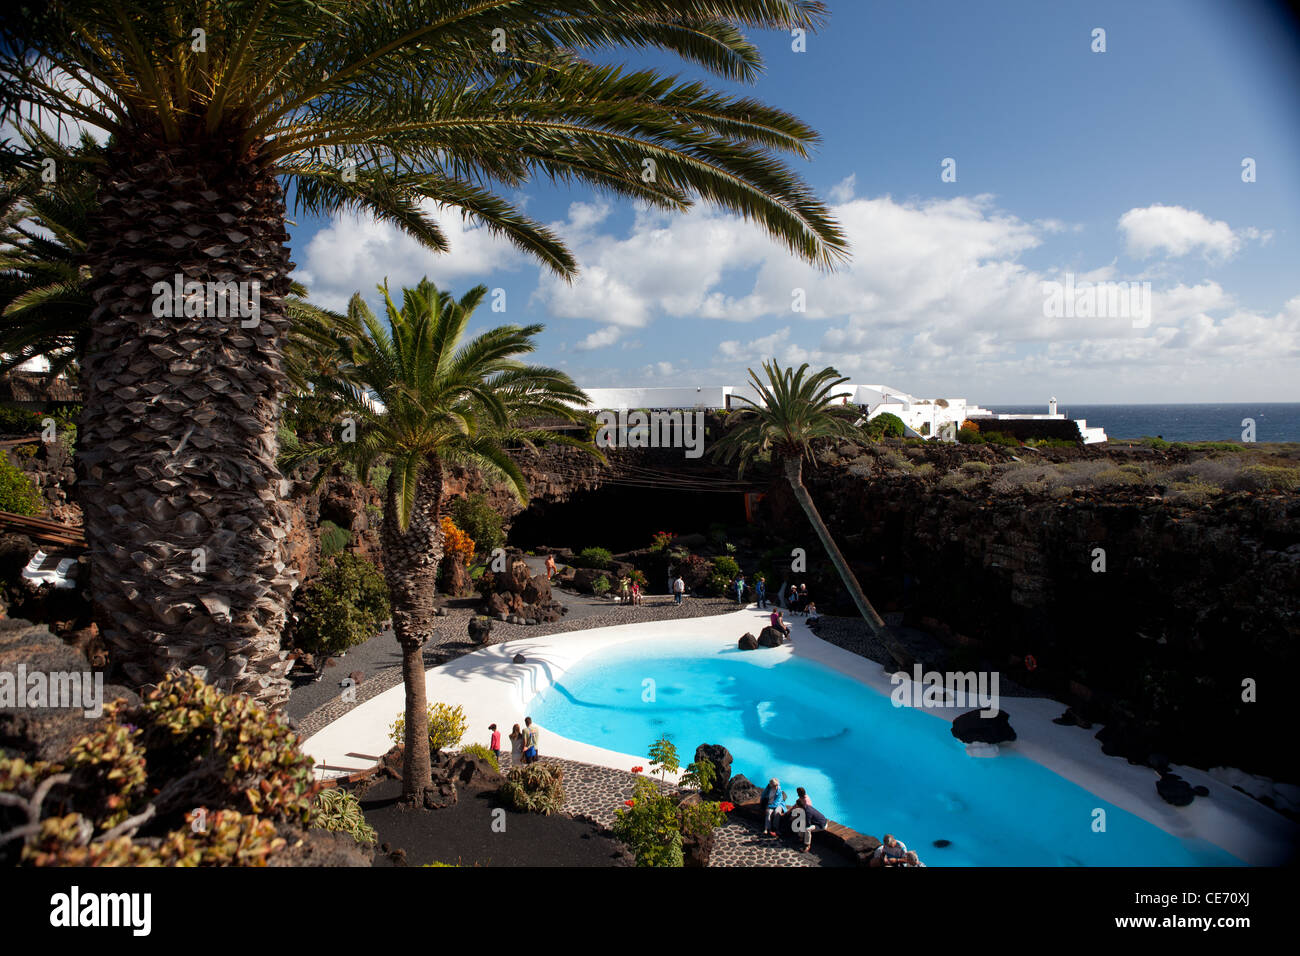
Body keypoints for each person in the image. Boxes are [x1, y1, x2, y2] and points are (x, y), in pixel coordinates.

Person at [791, 787, 827, 852]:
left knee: (807, 829)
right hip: (816, 822)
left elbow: (807, 824)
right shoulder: (804, 808)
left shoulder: (807, 812)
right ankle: (800, 838)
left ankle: (807, 845)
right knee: (802, 823)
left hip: (821, 825)